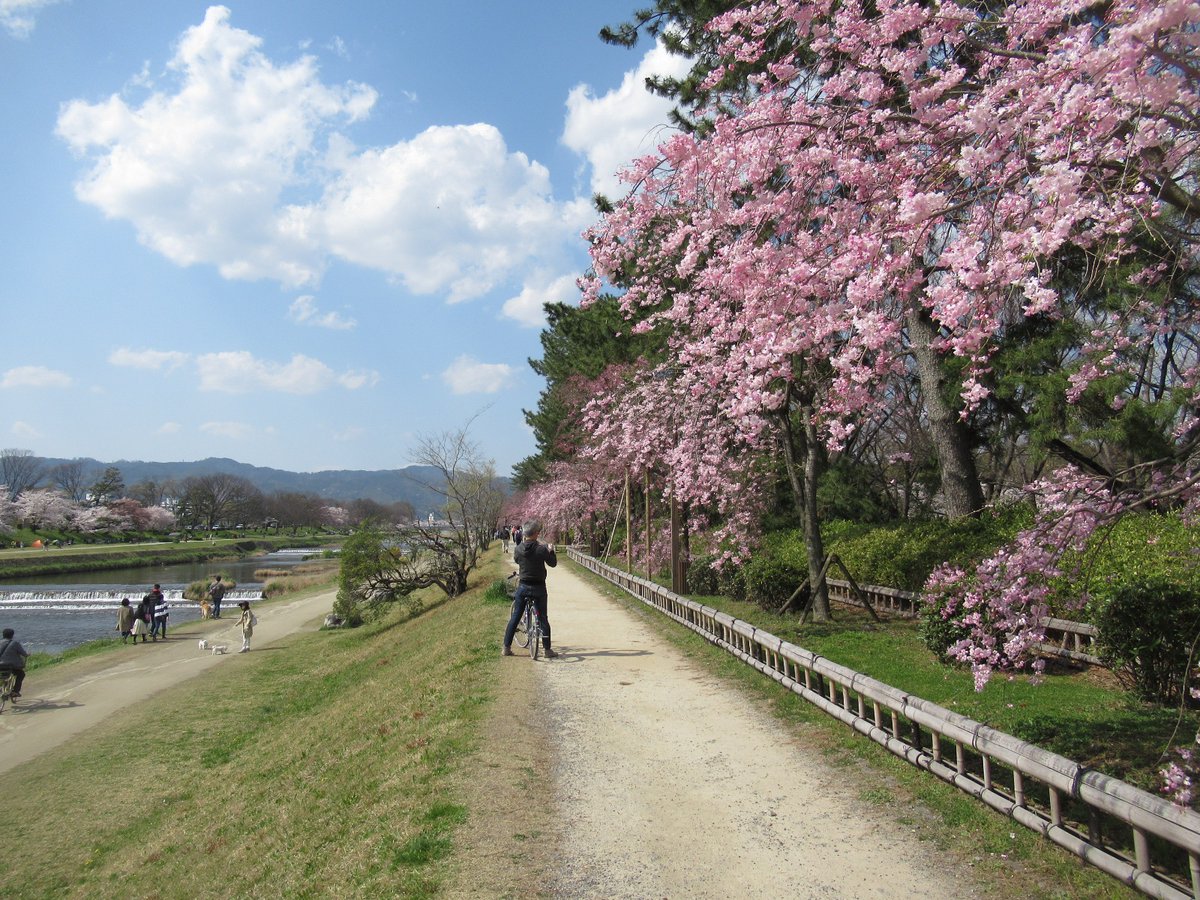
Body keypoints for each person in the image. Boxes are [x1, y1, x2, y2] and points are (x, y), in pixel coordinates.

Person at [502, 518, 558, 658]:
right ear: (535, 534)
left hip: (523, 586)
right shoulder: (541, 549)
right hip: (539, 587)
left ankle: (506, 648)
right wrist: (551, 551)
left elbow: (516, 560)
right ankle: (547, 650)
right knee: (543, 618)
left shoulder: (519, 548)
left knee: (515, 617)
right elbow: (553, 564)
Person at [0, 627, 29, 697]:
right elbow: (23, 654)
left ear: (3, 635)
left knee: (3, 676)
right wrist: (27, 654)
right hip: (11, 666)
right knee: (21, 674)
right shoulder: (15, 643)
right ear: (12, 635)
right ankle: (15, 691)